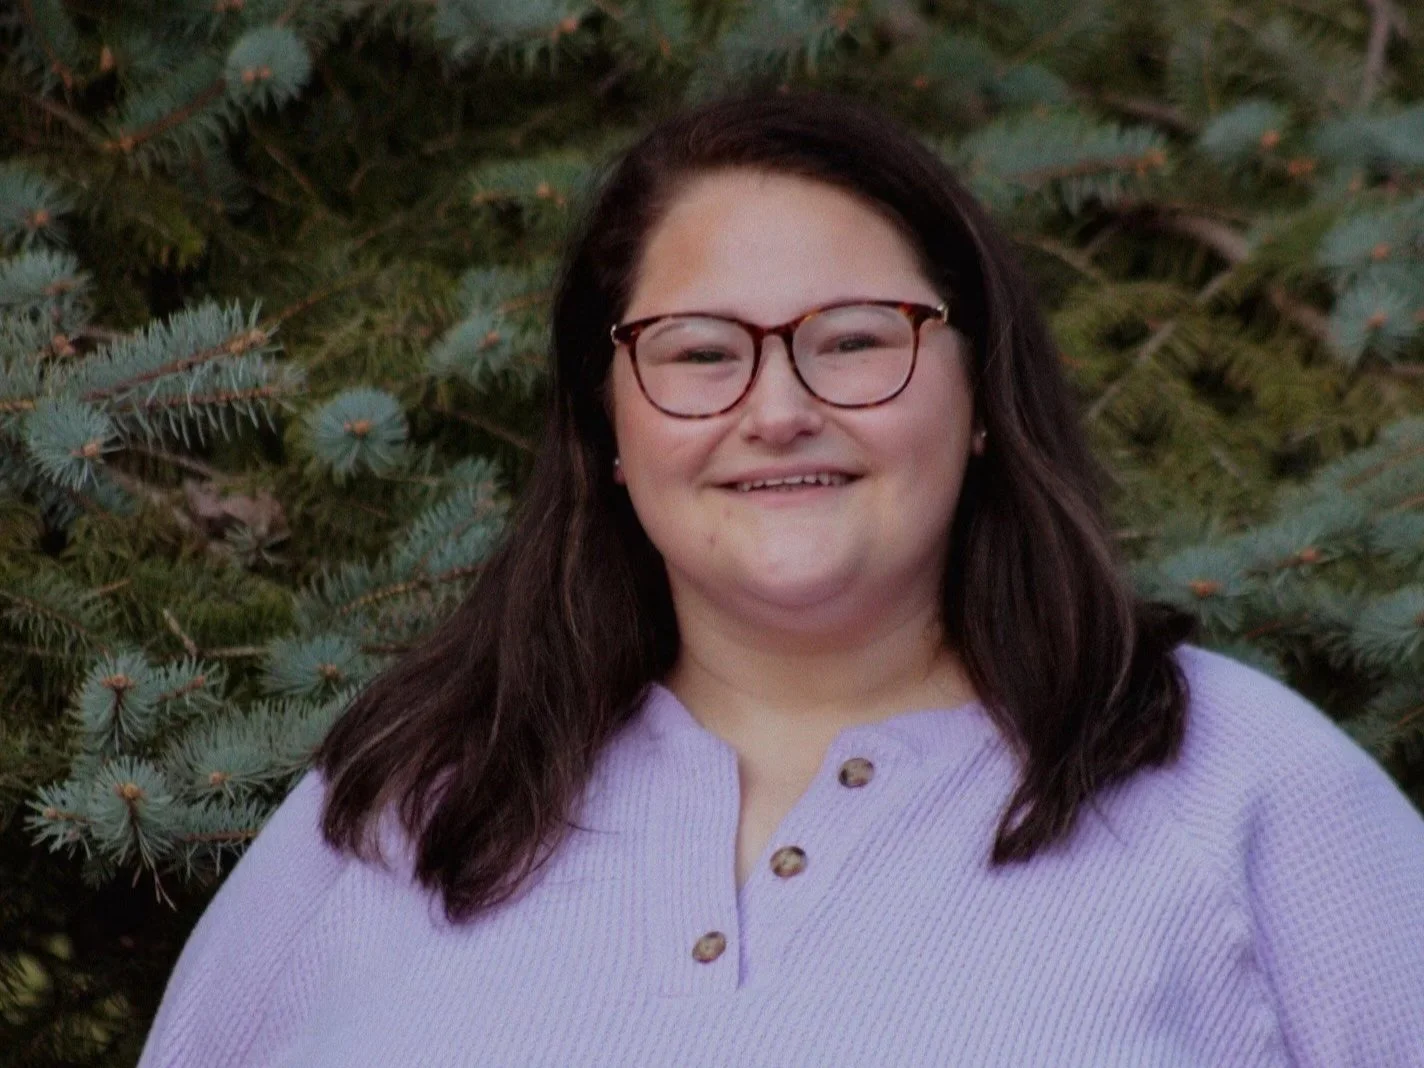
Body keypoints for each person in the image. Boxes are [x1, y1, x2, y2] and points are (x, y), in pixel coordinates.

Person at [137, 91, 1424, 1067]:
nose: (779, 408)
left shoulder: (1247, 789)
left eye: (853, 341)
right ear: (609, 430)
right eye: (700, 354)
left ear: (978, 397)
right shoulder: (401, 805)